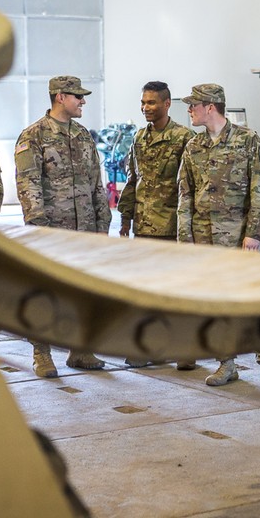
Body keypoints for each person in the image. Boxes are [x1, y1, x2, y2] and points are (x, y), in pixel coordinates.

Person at [176, 83, 260, 391]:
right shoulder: (193, 147)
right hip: (204, 239)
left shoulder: (247, 140)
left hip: (238, 238)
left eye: (193, 105)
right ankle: (226, 363)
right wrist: (185, 241)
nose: (189, 111)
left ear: (210, 107)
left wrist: (255, 233)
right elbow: (185, 195)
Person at [15, 75, 111, 378]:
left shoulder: (83, 135)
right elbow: (28, 185)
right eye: (77, 97)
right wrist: (39, 228)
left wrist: (102, 223)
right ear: (59, 97)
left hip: (85, 230)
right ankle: (41, 354)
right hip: (52, 230)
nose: (83, 101)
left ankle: (80, 349)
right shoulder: (34, 136)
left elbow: (97, 182)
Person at [117, 81, 195, 370]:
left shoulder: (184, 138)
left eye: (151, 102)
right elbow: (132, 179)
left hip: (173, 226)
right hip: (144, 226)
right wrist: (125, 217)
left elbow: (192, 185)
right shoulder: (138, 138)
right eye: (143, 102)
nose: (145, 108)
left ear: (166, 104)